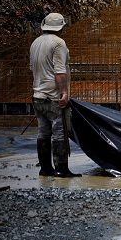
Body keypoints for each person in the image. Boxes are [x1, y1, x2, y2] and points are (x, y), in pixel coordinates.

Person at [29, 13, 79, 177]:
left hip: (38, 95)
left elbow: (33, 68)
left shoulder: (35, 42)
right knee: (59, 132)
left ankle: (45, 168)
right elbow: (59, 72)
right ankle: (61, 169)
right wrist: (64, 92)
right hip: (53, 96)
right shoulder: (58, 43)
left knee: (43, 132)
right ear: (61, 27)